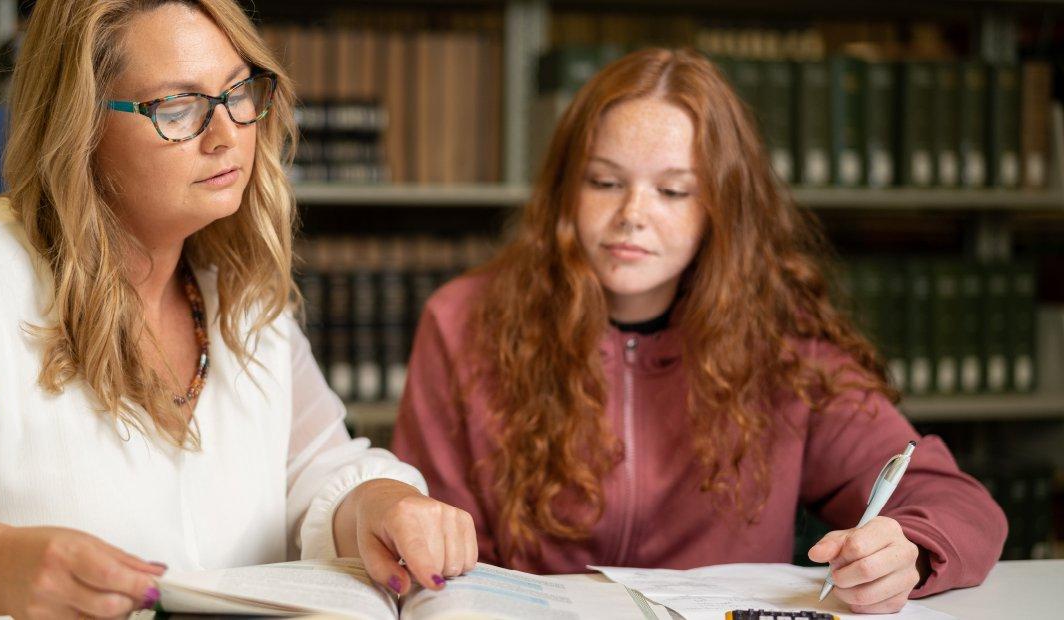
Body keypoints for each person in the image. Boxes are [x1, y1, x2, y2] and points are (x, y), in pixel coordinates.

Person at [0, 1, 476, 617]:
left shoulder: (240, 289)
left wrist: (380, 505)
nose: (227, 133)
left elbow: (317, 473)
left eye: (238, 91)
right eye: (178, 106)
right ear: (80, 129)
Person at [390, 47, 1006, 615]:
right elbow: (427, 534)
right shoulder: (464, 322)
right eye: (604, 182)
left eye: (673, 190)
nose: (632, 215)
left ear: (722, 206)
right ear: (563, 192)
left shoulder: (779, 337)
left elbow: (959, 506)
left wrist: (906, 548)